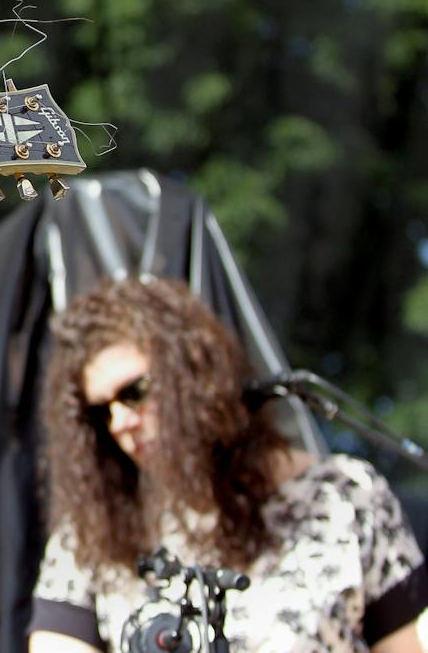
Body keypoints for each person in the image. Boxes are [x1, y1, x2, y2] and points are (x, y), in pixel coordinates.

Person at [27, 276, 428, 653]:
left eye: (135, 392)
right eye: (100, 412)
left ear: (195, 375)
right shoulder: (90, 534)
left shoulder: (343, 494)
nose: (120, 422)